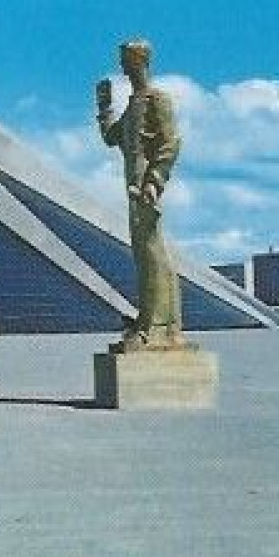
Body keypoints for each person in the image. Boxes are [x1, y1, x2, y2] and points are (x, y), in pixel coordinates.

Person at [96, 38, 185, 351]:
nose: (121, 66)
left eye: (125, 60)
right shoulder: (134, 104)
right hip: (132, 187)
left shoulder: (156, 100)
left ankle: (160, 325)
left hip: (145, 188)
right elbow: (112, 138)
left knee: (152, 250)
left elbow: (171, 143)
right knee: (143, 253)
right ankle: (151, 317)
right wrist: (104, 107)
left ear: (138, 61)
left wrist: (154, 180)